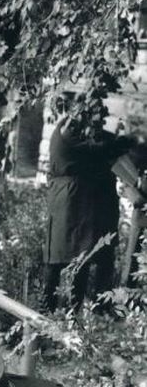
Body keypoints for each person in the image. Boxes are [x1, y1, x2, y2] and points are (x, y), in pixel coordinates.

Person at [43, 94, 134, 313]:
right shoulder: (69, 135)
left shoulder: (65, 129)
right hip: (71, 202)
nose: (95, 123)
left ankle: (54, 310)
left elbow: (96, 145)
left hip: (69, 201)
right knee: (75, 256)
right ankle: (64, 312)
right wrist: (126, 137)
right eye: (91, 116)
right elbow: (98, 149)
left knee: (65, 258)